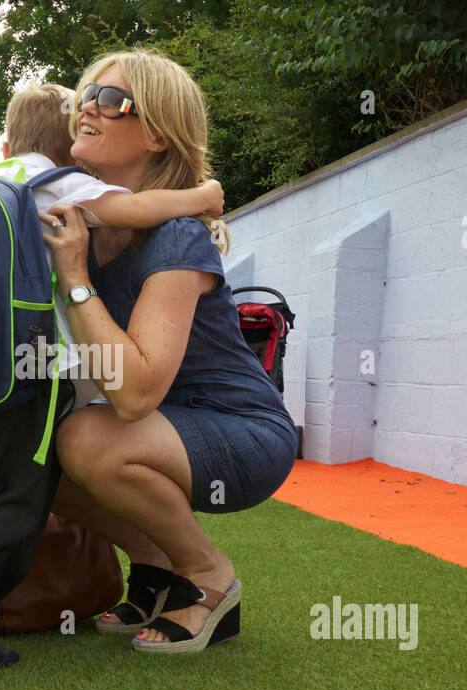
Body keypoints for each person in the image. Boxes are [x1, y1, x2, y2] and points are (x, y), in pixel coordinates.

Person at [0, 82, 224, 668]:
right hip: (33, 367)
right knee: (18, 498)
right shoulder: (58, 181)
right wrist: (203, 194)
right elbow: (138, 207)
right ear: (67, 145)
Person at [42, 50, 297, 653]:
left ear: (156, 132)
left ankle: (209, 576)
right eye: (85, 97)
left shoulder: (177, 234)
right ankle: (156, 566)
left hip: (242, 429)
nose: (87, 110)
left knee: (86, 440)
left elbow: (133, 393)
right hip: (162, 427)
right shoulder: (86, 223)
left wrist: (74, 275)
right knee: (31, 457)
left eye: (110, 100)